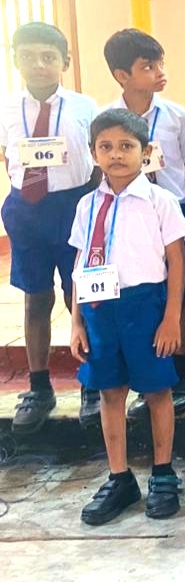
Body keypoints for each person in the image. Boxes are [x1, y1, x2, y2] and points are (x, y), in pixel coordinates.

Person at [69, 109, 185, 525]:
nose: (116, 155)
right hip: (99, 307)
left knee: (156, 391)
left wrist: (171, 317)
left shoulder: (161, 201)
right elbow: (81, 264)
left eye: (126, 146)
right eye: (106, 147)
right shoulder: (87, 205)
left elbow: (177, 262)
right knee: (110, 392)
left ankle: (163, 472)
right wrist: (77, 321)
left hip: (145, 305)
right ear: (93, 153)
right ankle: (119, 477)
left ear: (145, 151)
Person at [1, 22, 98, 434]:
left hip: (73, 206)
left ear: (65, 62)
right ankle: (39, 387)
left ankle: (93, 382)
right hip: (27, 209)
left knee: (82, 295)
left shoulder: (84, 107)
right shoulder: (6, 108)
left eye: (48, 57)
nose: (38, 64)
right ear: (15, 60)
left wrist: (90, 208)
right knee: (35, 297)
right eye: (28, 56)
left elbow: (96, 159)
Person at [102, 29, 185, 421]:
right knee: (141, 291)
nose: (160, 72)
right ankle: (145, 374)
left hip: (172, 210)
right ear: (122, 76)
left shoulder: (177, 116)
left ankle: (179, 374)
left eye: (161, 63)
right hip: (128, 214)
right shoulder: (106, 120)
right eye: (148, 66)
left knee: (182, 290)